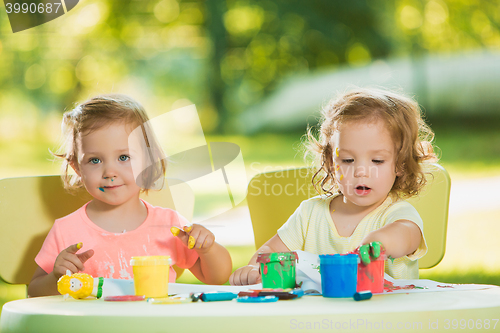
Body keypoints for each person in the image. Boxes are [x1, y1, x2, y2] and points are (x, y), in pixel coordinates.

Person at [29, 94, 232, 297]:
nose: (110, 172)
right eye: (94, 160)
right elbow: (34, 291)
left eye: (123, 157)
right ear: (77, 168)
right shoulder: (66, 231)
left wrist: (208, 250)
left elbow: (217, 277)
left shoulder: (168, 224)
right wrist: (57, 278)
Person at [230, 87, 437, 285]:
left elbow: (406, 235)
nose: (361, 171)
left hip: (385, 319)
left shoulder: (397, 214)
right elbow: (270, 252)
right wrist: (254, 270)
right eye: (347, 160)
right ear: (331, 162)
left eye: (377, 161)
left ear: (400, 164)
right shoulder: (309, 214)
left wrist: (380, 243)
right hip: (319, 319)